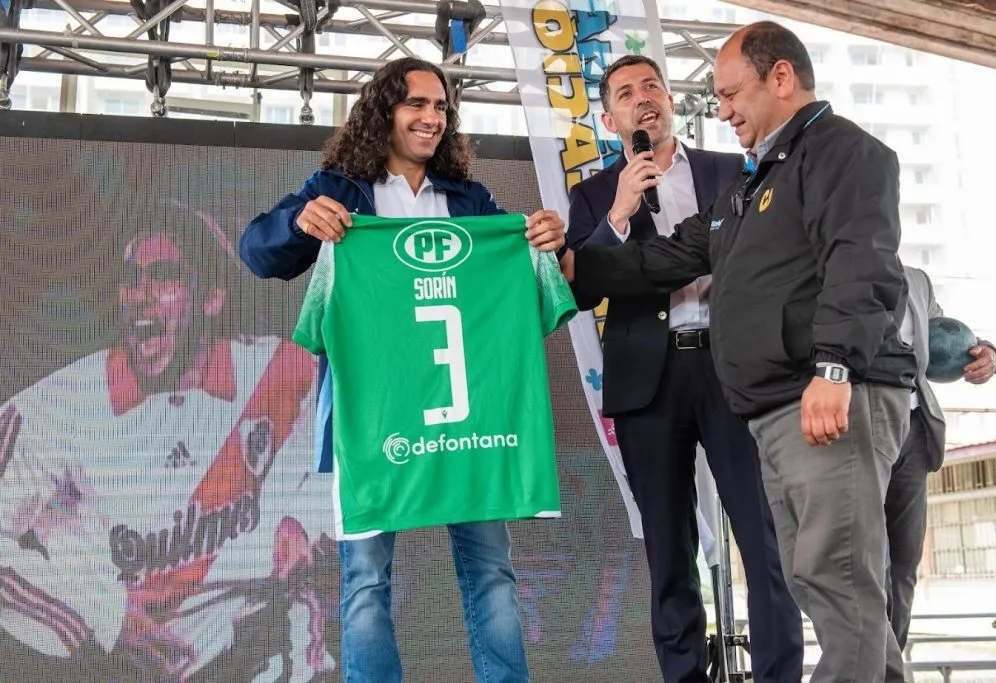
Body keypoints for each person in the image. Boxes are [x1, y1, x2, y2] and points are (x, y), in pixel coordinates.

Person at [563, 21, 918, 683]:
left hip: (816, 391)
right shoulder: (749, 186)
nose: (721, 110)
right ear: (607, 116)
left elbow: (860, 263)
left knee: (822, 573)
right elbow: (662, 259)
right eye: (717, 97)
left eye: (730, 94)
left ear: (780, 78)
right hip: (752, 398)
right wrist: (568, 263)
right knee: (821, 573)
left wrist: (833, 366)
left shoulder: (835, 154)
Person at [238, 56, 566, 683]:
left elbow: (514, 289)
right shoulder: (339, 188)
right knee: (365, 578)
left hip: (466, 411)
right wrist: (300, 222)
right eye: (417, 104)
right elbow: (258, 251)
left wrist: (548, 241)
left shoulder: (469, 199)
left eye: (441, 107)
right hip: (374, 414)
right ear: (382, 112)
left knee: (491, 569)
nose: (432, 117)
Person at [0, 200, 337, 682]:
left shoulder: (281, 376)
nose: (140, 295)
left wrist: (304, 524)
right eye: (130, 279)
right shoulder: (62, 403)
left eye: (163, 277)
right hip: (119, 668)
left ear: (212, 298)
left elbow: (358, 466)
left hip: (264, 650)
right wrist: (105, 616)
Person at [563, 53, 803, 683]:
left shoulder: (734, 170)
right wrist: (618, 212)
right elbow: (581, 290)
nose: (643, 99)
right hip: (649, 382)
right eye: (625, 93)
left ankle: (780, 674)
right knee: (669, 554)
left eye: (653, 87)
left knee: (765, 541)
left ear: (672, 100)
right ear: (610, 117)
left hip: (736, 372)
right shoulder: (591, 194)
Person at [887, 265, 996, 649]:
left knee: (904, 566)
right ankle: (862, 668)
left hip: (915, 432)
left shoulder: (916, 279)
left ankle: (890, 669)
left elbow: (940, 336)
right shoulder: (823, 266)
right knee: (862, 567)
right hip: (852, 432)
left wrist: (987, 353)